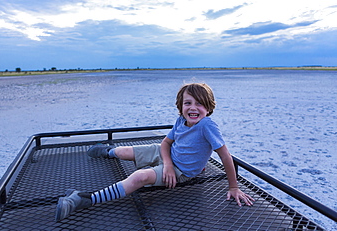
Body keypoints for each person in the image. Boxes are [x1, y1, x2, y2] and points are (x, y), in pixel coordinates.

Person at [55, 83, 254, 222]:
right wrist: (166, 163)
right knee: (124, 151)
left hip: (180, 172)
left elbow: (225, 156)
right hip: (167, 156)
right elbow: (166, 143)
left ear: (208, 108)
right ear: (181, 106)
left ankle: (84, 199)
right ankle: (108, 152)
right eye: (188, 103)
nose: (193, 108)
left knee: (140, 177)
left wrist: (234, 187)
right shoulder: (180, 121)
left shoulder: (207, 126)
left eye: (199, 103)